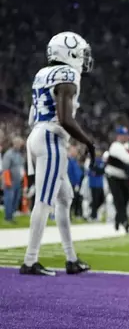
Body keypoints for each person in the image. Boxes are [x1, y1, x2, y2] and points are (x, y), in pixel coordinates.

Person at [21, 31, 93, 276]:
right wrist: (88, 142)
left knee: (64, 198)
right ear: (70, 52)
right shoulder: (68, 73)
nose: (83, 58)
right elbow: (65, 119)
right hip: (51, 137)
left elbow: (32, 115)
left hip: (39, 134)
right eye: (81, 53)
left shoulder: (42, 74)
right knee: (44, 201)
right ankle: (30, 260)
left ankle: (71, 258)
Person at [105, 126, 129, 233]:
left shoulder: (126, 146)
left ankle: (118, 218)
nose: (125, 137)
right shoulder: (115, 146)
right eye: (123, 135)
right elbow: (127, 159)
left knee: (126, 198)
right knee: (119, 199)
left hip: (123, 177)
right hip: (113, 177)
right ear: (118, 136)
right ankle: (125, 223)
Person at [2, 136, 25, 222]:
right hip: (10, 182)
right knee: (9, 200)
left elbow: (21, 166)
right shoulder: (8, 154)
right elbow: (6, 169)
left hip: (17, 182)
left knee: (16, 200)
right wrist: (8, 181)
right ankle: (7, 218)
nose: (19, 146)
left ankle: (11, 216)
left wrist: (22, 177)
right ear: (14, 144)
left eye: (20, 144)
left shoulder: (19, 154)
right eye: (18, 144)